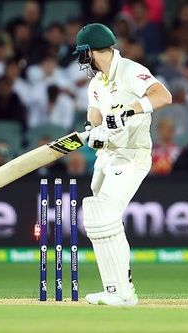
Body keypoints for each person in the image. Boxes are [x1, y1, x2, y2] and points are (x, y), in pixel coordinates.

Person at [73, 23, 172, 306]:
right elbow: (93, 117)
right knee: (97, 219)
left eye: (83, 54)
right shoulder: (96, 83)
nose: (83, 61)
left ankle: (124, 292)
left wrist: (128, 110)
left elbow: (163, 96)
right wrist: (93, 134)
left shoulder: (130, 70)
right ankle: (113, 289)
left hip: (132, 154)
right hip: (106, 158)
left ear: (91, 51)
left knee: (104, 213)